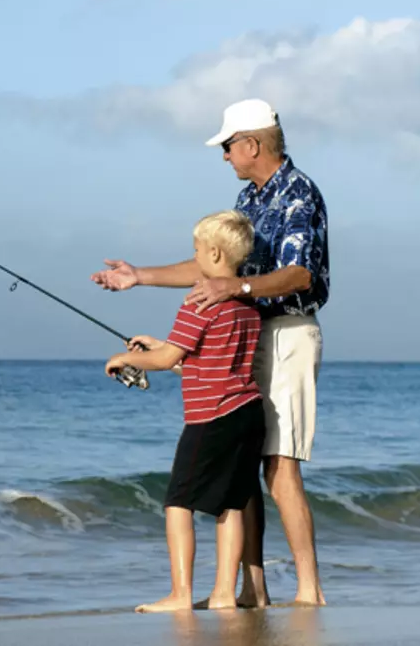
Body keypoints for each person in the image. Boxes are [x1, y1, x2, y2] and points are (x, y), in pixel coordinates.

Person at [92, 98, 329, 608]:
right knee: (244, 464)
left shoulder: (298, 194)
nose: (224, 156)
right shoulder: (249, 198)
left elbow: (298, 275)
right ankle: (252, 588)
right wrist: (140, 277)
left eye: (227, 146)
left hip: (288, 330)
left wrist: (237, 290)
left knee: (279, 464)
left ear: (251, 144)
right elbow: (214, 268)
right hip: (250, 329)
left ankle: (310, 591)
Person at [105, 209, 266, 613]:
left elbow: (169, 359)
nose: (193, 257)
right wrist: (157, 346)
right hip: (248, 412)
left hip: (210, 417)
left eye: (195, 250)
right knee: (231, 504)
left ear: (213, 253)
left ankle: (180, 594)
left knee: (179, 502)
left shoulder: (198, 302)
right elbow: (202, 359)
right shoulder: (249, 305)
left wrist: (124, 358)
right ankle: (225, 594)